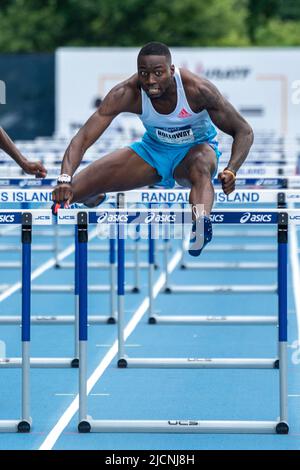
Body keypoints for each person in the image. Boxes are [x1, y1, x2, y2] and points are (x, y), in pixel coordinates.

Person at [52, 42, 253, 256]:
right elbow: (82, 138)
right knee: (70, 193)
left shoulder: (197, 90)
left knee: (201, 164)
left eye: (158, 73)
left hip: (194, 153)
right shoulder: (127, 93)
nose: (150, 81)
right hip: (152, 152)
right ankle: (94, 199)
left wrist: (232, 170)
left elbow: (244, 131)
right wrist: (64, 179)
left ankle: (202, 224)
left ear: (172, 70)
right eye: (144, 74)